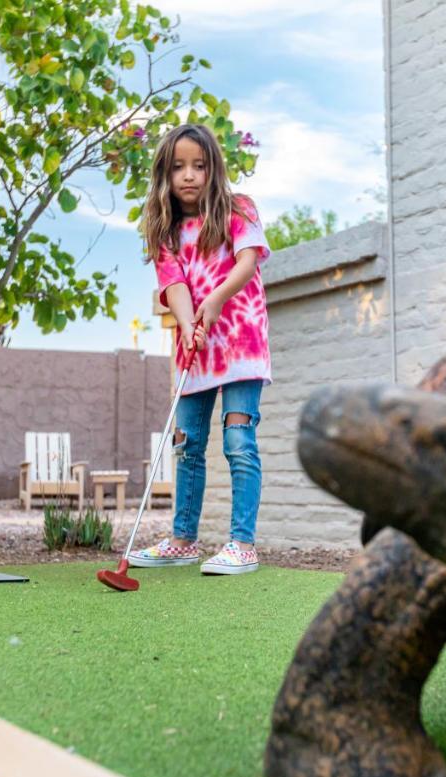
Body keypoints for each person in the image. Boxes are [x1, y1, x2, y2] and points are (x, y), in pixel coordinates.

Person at [128, 124, 272, 575]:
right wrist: (190, 321)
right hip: (197, 348)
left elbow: (247, 263)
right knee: (187, 443)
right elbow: (172, 286)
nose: (188, 175)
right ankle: (183, 540)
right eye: (178, 167)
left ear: (214, 169)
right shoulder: (165, 230)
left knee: (238, 441)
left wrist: (213, 302)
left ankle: (242, 545)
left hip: (242, 342)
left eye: (199, 165)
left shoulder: (237, 210)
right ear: (165, 175)